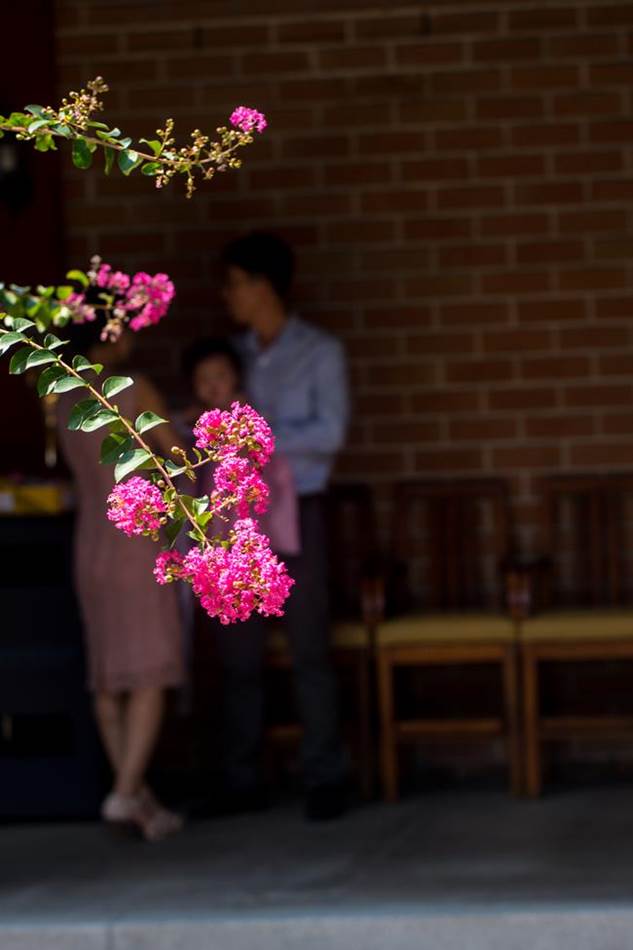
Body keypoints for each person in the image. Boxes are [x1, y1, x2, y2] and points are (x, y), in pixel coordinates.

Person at [215, 230, 350, 821]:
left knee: (309, 648)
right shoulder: (230, 358)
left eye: (235, 284)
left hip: (304, 513)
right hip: (240, 518)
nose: (228, 296)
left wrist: (259, 442)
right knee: (238, 652)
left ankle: (326, 776)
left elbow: (331, 435)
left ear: (263, 285)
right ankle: (241, 779)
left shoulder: (321, 352)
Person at [57, 326, 185, 841]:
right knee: (150, 670)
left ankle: (139, 802)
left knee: (108, 673)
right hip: (136, 536)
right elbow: (178, 459)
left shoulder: (63, 396)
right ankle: (126, 792)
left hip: (90, 541)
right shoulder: (132, 388)